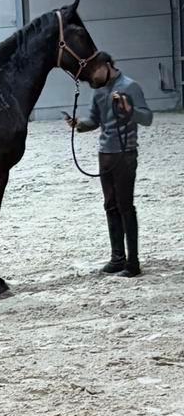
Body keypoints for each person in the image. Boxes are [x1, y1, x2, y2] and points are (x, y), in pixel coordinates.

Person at [67, 52, 153, 277]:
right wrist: (79, 125)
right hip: (104, 153)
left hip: (125, 154)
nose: (92, 77)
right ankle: (117, 258)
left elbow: (148, 118)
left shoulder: (130, 86)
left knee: (125, 206)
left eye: (94, 71)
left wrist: (129, 110)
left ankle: (133, 263)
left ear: (106, 66)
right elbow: (95, 120)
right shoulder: (98, 90)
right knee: (110, 205)